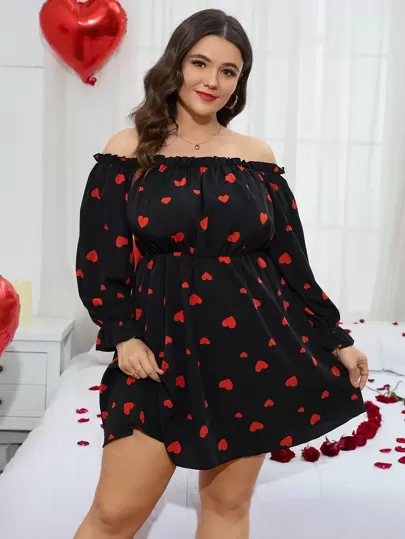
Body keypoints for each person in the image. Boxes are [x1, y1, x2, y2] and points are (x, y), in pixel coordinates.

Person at [74, 8, 369, 539]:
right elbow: (100, 262)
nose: (212, 80)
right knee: (114, 514)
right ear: (175, 64)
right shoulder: (127, 152)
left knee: (228, 509)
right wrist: (123, 334)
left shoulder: (256, 158)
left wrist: (337, 339)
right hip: (158, 351)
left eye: (228, 71)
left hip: (249, 351)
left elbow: (291, 264)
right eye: (200, 63)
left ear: (239, 83)